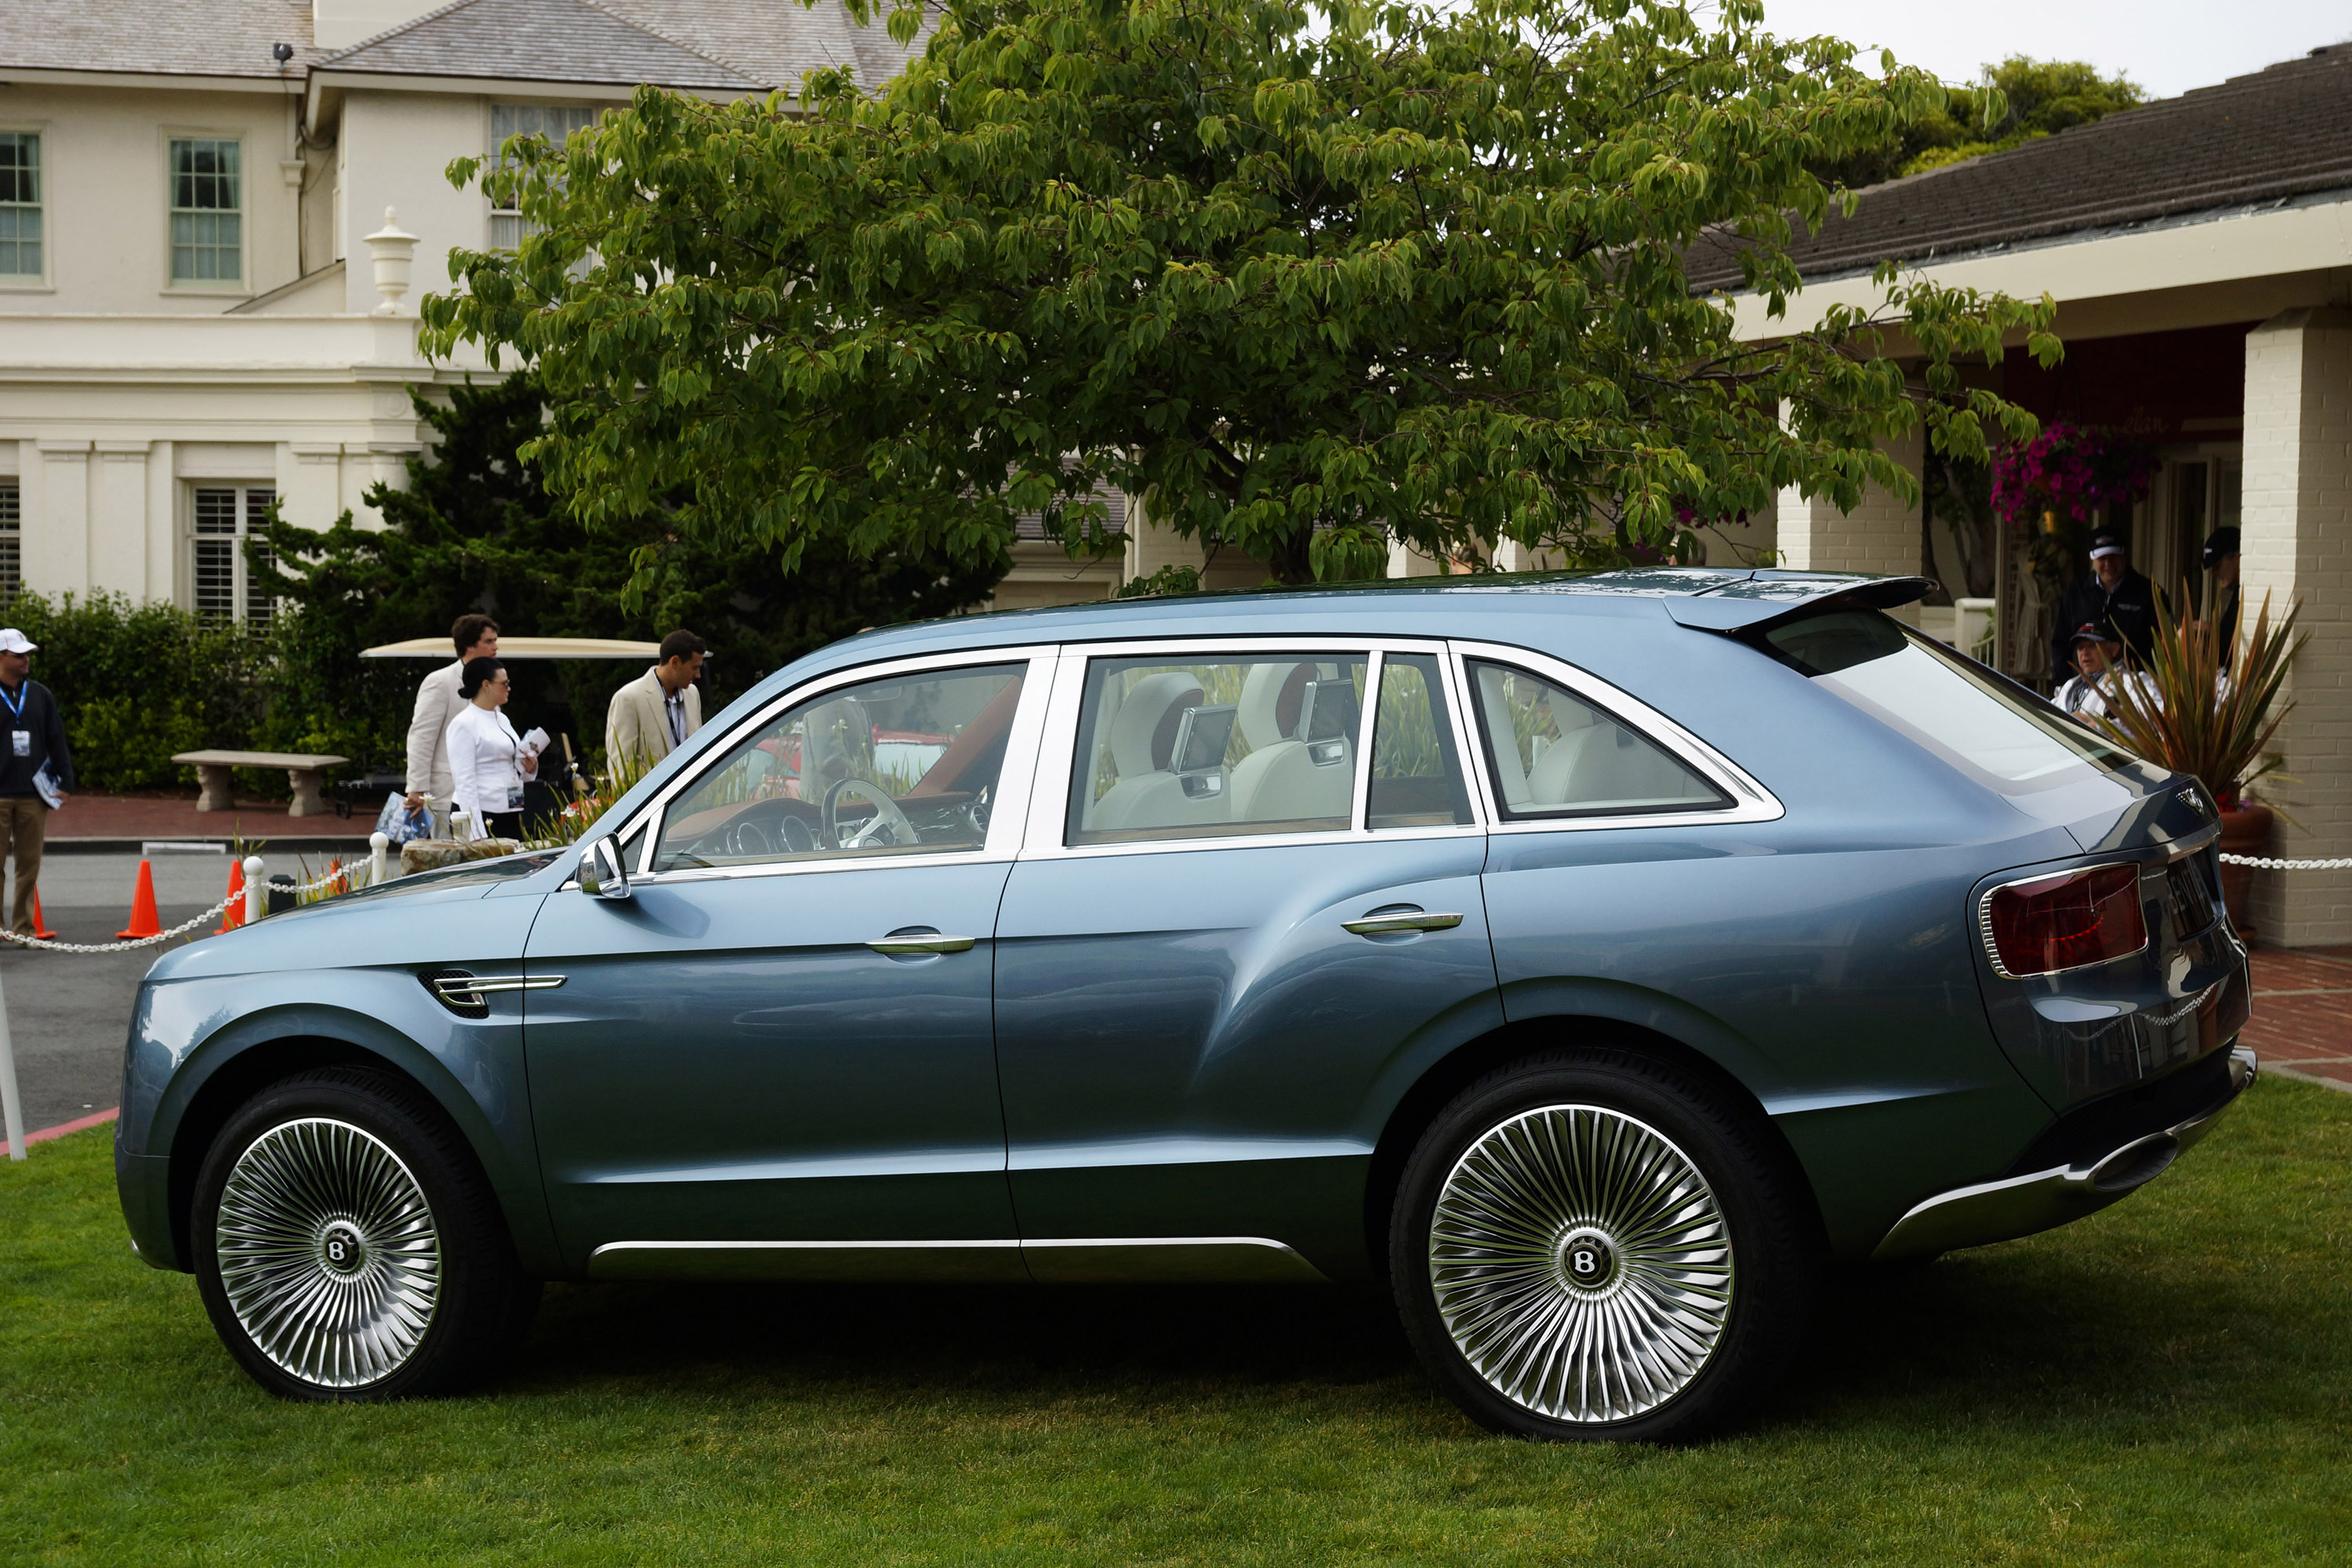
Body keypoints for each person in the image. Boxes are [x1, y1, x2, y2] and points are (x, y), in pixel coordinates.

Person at [0, 628, 72, 939]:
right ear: (1, 657)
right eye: (18, 655)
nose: (25, 660)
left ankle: (23, 928)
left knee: (28, 867)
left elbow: (56, 738)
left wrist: (66, 780)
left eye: (27, 654)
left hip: (33, 794)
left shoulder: (40, 694)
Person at [405, 615, 499, 827]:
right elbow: (421, 737)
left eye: (495, 640)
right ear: (469, 646)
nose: (496, 647)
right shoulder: (440, 681)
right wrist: (417, 788)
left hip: (486, 794)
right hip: (446, 794)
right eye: (489, 641)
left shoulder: (493, 684)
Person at [445, 657, 537, 841]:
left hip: (508, 808)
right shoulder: (464, 723)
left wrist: (530, 768)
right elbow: (464, 782)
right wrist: (477, 833)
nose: (509, 688)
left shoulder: (501, 718)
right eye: (504, 683)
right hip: (481, 812)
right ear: (486, 685)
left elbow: (509, 764)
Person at [2049, 532, 2157, 683]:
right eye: (2102, 558)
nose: (2108, 564)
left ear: (2124, 556)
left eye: (2113, 557)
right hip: (2081, 685)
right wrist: (2063, 682)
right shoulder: (2075, 593)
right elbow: (2060, 642)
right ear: (2092, 559)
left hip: (2134, 686)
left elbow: (2163, 642)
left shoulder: (2147, 593)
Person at [605, 630, 706, 773]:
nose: (698, 675)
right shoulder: (628, 698)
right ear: (675, 662)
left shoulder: (692, 694)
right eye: (694, 667)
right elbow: (621, 767)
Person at [2053, 623, 2154, 721]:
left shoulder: (2136, 681)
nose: (2084, 653)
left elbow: (2152, 721)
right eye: (2080, 648)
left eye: (2092, 645)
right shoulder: (2070, 684)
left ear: (2114, 649)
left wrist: (2097, 726)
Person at [2202, 525, 2241, 659]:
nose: (2214, 573)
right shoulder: (2236, 593)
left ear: (2238, 557)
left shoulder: (2251, 593)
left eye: (2218, 566)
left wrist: (2211, 631)